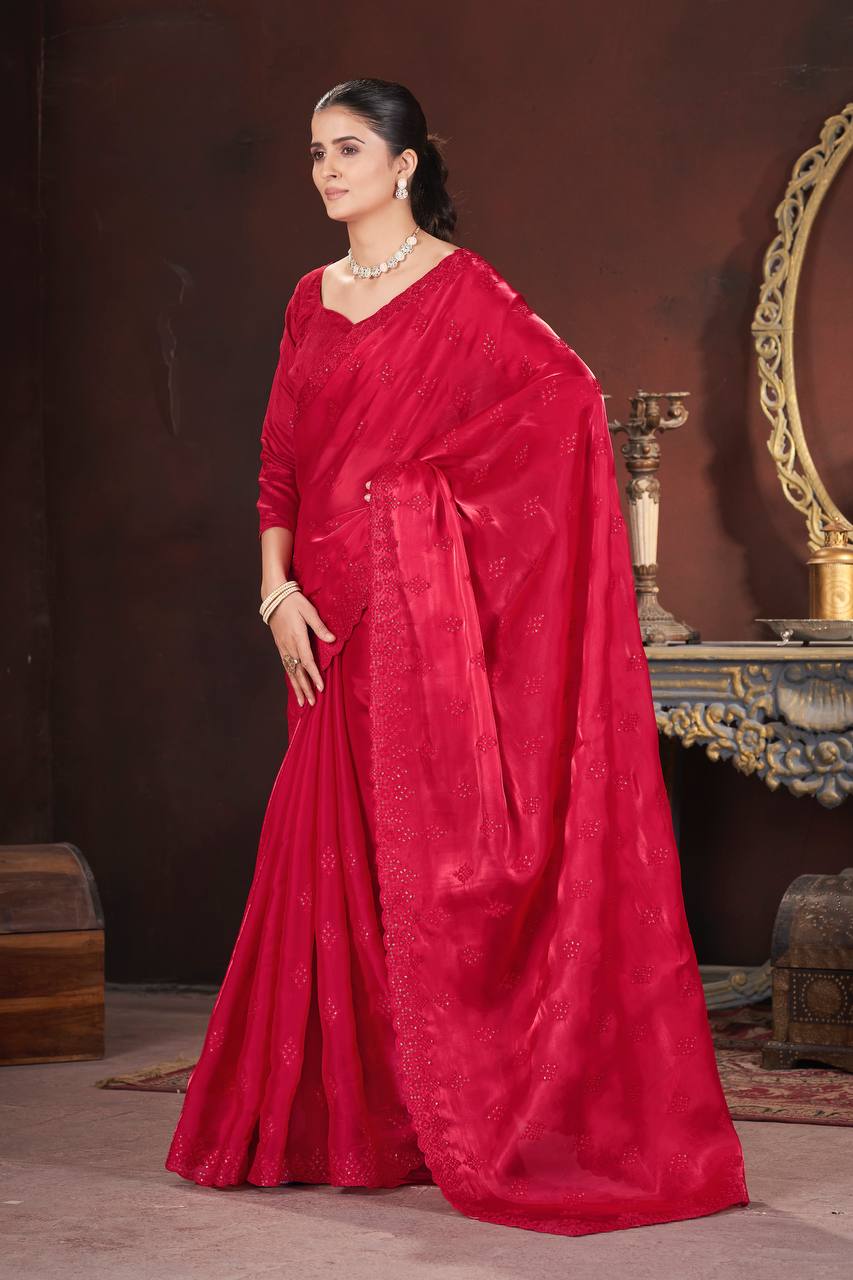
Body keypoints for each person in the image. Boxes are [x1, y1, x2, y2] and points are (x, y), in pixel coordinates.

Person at [164, 77, 749, 1236]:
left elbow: (562, 406)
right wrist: (274, 590)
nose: (326, 170)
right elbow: (279, 464)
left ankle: (450, 1111)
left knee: (420, 860)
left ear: (404, 164)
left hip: (406, 616)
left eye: (347, 149)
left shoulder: (466, 292)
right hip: (317, 617)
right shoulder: (309, 297)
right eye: (315, 151)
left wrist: (410, 508)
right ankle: (350, 1124)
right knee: (329, 859)